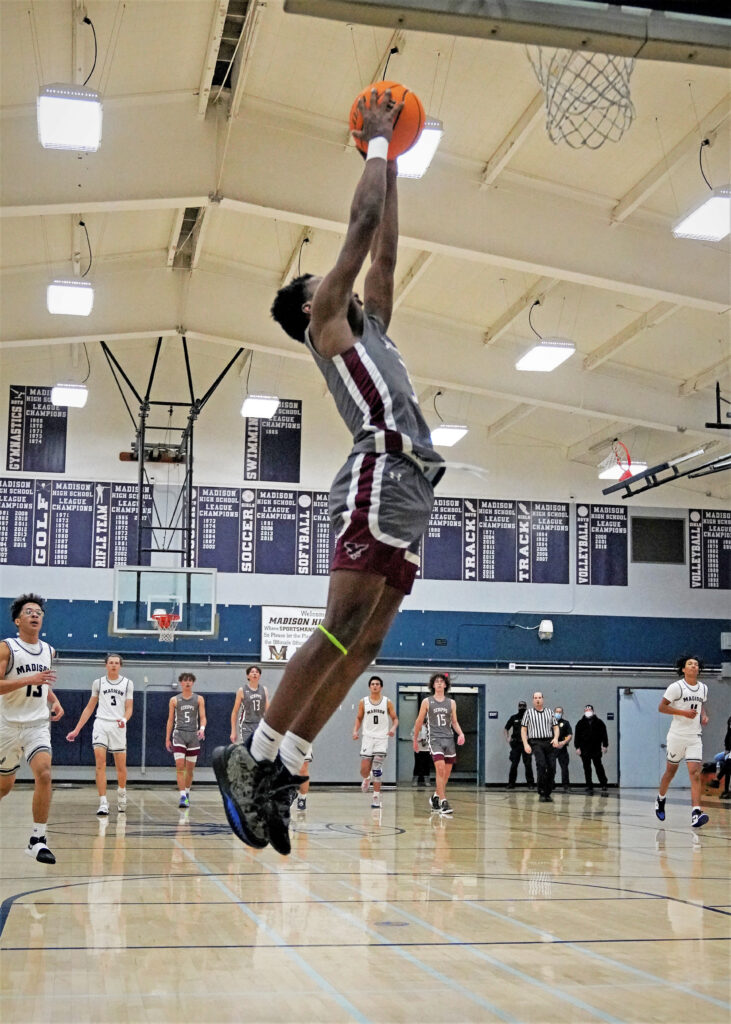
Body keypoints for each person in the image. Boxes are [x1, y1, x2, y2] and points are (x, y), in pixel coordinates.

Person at [212, 87, 444, 856]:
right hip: (378, 470)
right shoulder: (325, 324)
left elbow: (385, 249)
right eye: (322, 278)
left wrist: (398, 164)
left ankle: (285, 766)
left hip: (415, 490)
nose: (332, 277)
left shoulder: (370, 322)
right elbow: (361, 227)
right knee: (339, 626)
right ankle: (251, 753)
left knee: (368, 642)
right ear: (312, 305)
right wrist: (376, 143)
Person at [0, 594, 64, 864]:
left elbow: (42, 683)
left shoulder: (49, 650)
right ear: (18, 620)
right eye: (29, 612)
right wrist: (31, 679)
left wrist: (54, 700)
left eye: (38, 612)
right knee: (4, 787)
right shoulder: (7, 648)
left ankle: (38, 840)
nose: (35, 615)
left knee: (45, 774)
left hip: (37, 723)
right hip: (7, 724)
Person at [66, 654, 134, 815]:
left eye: (117, 663)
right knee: (100, 763)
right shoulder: (98, 683)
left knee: (120, 766)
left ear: (120, 666)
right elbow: (89, 707)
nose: (114, 665)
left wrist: (124, 719)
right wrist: (76, 730)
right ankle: (103, 802)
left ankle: (122, 793)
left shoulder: (127, 683)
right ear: (106, 665)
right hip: (101, 724)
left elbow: (129, 707)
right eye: (111, 662)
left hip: (118, 725)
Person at [654, 656, 710, 828]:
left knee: (694, 773)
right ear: (684, 669)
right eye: (690, 664)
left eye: (696, 664)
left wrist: (703, 715)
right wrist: (684, 713)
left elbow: (700, 704)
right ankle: (660, 799)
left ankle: (696, 813)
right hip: (677, 736)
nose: (694, 666)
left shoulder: (703, 688)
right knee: (670, 772)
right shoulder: (676, 687)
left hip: (694, 736)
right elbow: (661, 707)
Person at [412, 673, 465, 816]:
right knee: (440, 769)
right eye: (437, 682)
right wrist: (415, 738)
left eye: (442, 681)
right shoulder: (427, 702)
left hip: (449, 738)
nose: (440, 683)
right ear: (433, 685)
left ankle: (435, 796)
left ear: (446, 685)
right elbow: (418, 721)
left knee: (446, 775)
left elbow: (454, 722)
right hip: (435, 739)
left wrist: (461, 733)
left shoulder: (451, 703)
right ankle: (443, 801)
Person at [353, 675, 398, 809]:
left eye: (377, 684)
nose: (375, 686)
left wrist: (393, 729)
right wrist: (355, 731)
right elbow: (359, 718)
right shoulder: (364, 702)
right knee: (364, 770)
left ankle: (376, 797)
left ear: (381, 687)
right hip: (367, 737)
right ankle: (367, 778)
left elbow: (395, 719)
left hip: (381, 738)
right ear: (369, 687)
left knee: (377, 768)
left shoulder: (387, 702)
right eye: (373, 684)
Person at [165, 672, 206, 808]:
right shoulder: (174, 700)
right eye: (184, 680)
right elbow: (170, 720)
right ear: (181, 683)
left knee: (190, 769)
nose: (187, 682)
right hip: (179, 734)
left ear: (193, 683)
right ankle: (182, 796)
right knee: (179, 767)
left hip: (193, 735)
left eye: (189, 680)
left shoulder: (199, 699)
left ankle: (187, 792)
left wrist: (202, 728)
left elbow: (203, 717)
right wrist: (167, 738)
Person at [521, 692, 559, 803]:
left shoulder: (549, 712)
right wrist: (525, 744)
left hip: (549, 741)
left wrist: (556, 738)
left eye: (539, 698)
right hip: (536, 742)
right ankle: (542, 791)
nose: (538, 700)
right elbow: (523, 730)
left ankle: (548, 792)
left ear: (543, 699)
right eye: (535, 698)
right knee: (541, 765)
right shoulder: (528, 713)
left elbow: (556, 727)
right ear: (533, 700)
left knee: (552, 767)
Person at [574, 705, 609, 795]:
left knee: (598, 766)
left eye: (589, 709)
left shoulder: (599, 722)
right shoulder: (580, 723)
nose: (588, 711)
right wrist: (577, 747)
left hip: (596, 749)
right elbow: (577, 737)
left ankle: (603, 783)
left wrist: (605, 745)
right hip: (584, 749)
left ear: (593, 711)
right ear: (584, 711)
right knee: (587, 768)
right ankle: (589, 785)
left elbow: (604, 735)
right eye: (586, 709)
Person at [230, 665, 268, 745]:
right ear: (248, 675)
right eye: (252, 672)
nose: (255, 674)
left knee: (260, 749)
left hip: (260, 724)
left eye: (257, 672)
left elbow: (268, 710)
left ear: (259, 676)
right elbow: (234, 712)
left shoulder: (264, 689)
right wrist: (233, 731)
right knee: (248, 749)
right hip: (247, 725)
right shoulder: (242, 690)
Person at [503, 699, 535, 788]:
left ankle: (530, 783)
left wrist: (531, 736)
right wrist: (507, 737)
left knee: (528, 764)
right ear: (518, 707)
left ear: (526, 707)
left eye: (523, 706)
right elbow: (506, 728)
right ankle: (511, 783)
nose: (522, 707)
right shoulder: (514, 717)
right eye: (520, 706)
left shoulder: (530, 718)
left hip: (526, 744)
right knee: (514, 764)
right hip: (516, 744)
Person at [553, 705, 573, 792]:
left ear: (562, 713)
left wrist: (564, 742)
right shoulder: (549, 723)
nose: (558, 713)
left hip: (562, 748)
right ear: (554, 713)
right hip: (552, 748)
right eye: (556, 712)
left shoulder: (565, 723)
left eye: (559, 712)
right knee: (550, 767)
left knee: (564, 767)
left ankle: (566, 785)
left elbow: (570, 735)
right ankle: (550, 784)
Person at [412, 708, 432, 788]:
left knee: (427, 765)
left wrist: (427, 740)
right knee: (417, 764)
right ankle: (415, 780)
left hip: (427, 749)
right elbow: (412, 736)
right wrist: (417, 739)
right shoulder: (417, 727)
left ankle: (427, 780)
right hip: (419, 749)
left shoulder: (430, 728)